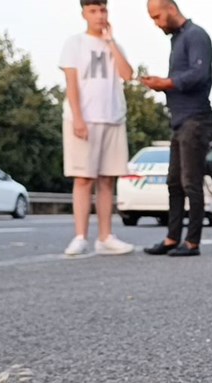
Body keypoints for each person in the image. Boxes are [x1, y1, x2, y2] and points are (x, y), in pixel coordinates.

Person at [60, 0, 136, 257]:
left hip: (113, 118)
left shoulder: (114, 45)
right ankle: (80, 236)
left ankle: (105, 236)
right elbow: (71, 84)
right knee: (83, 179)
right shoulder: (75, 44)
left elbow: (128, 75)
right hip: (84, 119)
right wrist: (78, 119)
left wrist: (111, 42)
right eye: (93, 11)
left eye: (102, 10)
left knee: (107, 180)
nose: (99, 15)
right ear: (84, 13)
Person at [140, 0, 212, 258]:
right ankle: (172, 237)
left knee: (190, 182)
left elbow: (199, 73)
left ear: (171, 9)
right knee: (174, 182)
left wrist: (167, 83)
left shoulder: (196, 35)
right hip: (181, 121)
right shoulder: (177, 40)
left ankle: (192, 242)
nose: (156, 23)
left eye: (157, 16)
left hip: (197, 119)